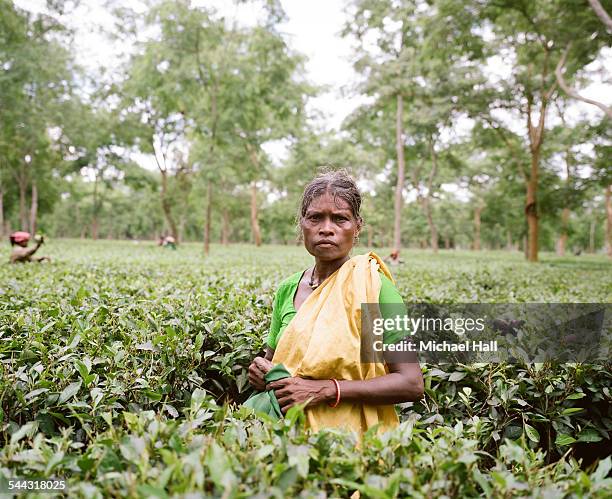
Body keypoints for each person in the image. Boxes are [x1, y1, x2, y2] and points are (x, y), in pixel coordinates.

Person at [247, 170, 424, 437]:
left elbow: (411, 383)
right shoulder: (288, 289)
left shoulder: (375, 289)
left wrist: (328, 390)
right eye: (315, 217)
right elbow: (273, 362)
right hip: (280, 434)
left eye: (340, 219)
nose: (326, 228)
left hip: (348, 440)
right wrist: (259, 373)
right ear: (302, 224)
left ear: (357, 227)